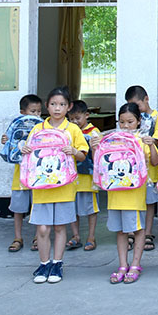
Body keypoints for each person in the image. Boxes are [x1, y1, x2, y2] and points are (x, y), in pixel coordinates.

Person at [22, 87, 89, 284]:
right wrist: (24, 149)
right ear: (47, 106)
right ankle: (44, 264)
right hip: (41, 187)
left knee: (60, 227)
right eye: (53, 104)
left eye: (61, 104)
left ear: (69, 107)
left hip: (64, 187)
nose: (57, 108)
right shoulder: (38, 129)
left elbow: (83, 154)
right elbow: (29, 152)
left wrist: (73, 151)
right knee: (42, 229)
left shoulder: (73, 129)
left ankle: (57, 263)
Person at [103, 103, 158, 284]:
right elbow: (102, 164)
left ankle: (135, 264)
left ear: (139, 121)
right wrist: (96, 147)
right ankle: (122, 265)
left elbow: (155, 162)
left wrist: (151, 145)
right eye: (122, 122)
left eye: (130, 122)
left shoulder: (141, 139)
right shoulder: (112, 140)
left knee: (137, 229)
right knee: (120, 231)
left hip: (135, 194)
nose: (126, 126)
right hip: (115, 193)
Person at [125, 85, 158, 252]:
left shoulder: (157, 118)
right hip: (132, 171)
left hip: (150, 168)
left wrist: (148, 140)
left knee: (149, 203)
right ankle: (130, 232)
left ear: (146, 99)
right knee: (132, 202)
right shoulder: (130, 119)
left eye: (137, 105)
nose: (135, 108)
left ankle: (148, 233)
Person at [4, 94, 42, 253]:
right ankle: (17, 237)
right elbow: (7, 146)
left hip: (38, 175)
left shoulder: (42, 127)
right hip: (20, 176)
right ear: (22, 112)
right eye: (33, 111)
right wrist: (6, 141)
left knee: (38, 206)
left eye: (39, 111)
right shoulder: (15, 126)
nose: (36, 115)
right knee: (18, 209)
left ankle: (38, 237)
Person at [66, 100, 100, 252]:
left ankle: (91, 237)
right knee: (72, 208)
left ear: (87, 115)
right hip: (71, 178)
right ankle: (76, 236)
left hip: (88, 178)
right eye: (71, 118)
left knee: (90, 209)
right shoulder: (68, 131)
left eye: (77, 118)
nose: (74, 121)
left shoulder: (94, 132)